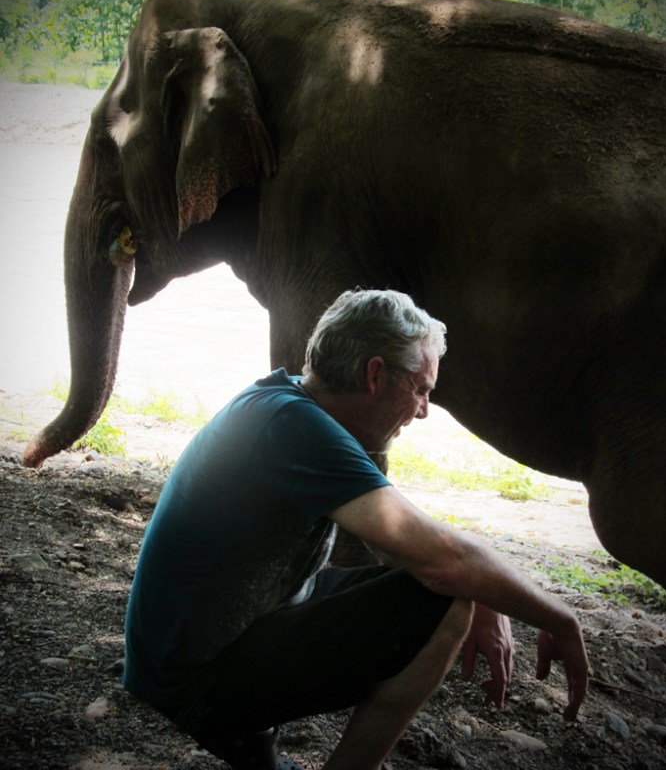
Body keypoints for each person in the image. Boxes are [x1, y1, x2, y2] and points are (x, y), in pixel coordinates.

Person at [124, 288, 589, 770]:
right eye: (422, 389)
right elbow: (444, 561)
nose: (424, 410)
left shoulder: (290, 407)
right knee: (447, 602)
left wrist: (486, 590)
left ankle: (250, 737)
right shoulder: (294, 427)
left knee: (448, 586)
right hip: (187, 687)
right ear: (375, 375)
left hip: (206, 646)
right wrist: (560, 618)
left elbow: (399, 544)